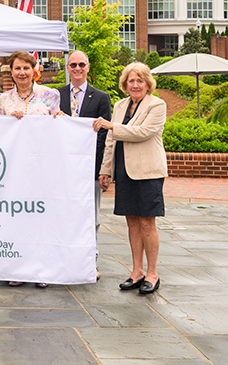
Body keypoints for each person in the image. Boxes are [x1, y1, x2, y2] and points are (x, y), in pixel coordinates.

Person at [94, 62, 167, 296]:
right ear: (125, 84)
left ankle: (152, 273)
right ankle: (136, 272)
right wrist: (105, 170)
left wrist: (111, 126)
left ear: (148, 83)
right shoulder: (120, 105)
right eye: (131, 81)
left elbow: (143, 132)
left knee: (147, 222)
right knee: (132, 222)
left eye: (140, 80)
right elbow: (110, 141)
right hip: (124, 170)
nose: (135, 85)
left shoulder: (157, 104)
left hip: (148, 172)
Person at [0, 50, 60, 288]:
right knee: (16, 217)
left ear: (34, 70)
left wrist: (59, 118)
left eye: (26, 68)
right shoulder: (3, 100)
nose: (22, 73)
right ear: (11, 72)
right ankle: (18, 267)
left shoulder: (50, 95)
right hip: (13, 168)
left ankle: (41, 270)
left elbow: (57, 127)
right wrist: (9, 120)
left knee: (40, 216)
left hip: (42, 165)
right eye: (17, 68)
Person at [54, 50, 112, 281]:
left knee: (91, 216)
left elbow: (104, 135)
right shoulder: (55, 96)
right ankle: (61, 259)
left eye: (81, 64)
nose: (77, 68)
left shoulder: (101, 98)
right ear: (67, 68)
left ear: (88, 67)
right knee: (61, 213)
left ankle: (90, 261)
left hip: (90, 167)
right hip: (61, 167)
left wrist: (102, 169)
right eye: (73, 65)